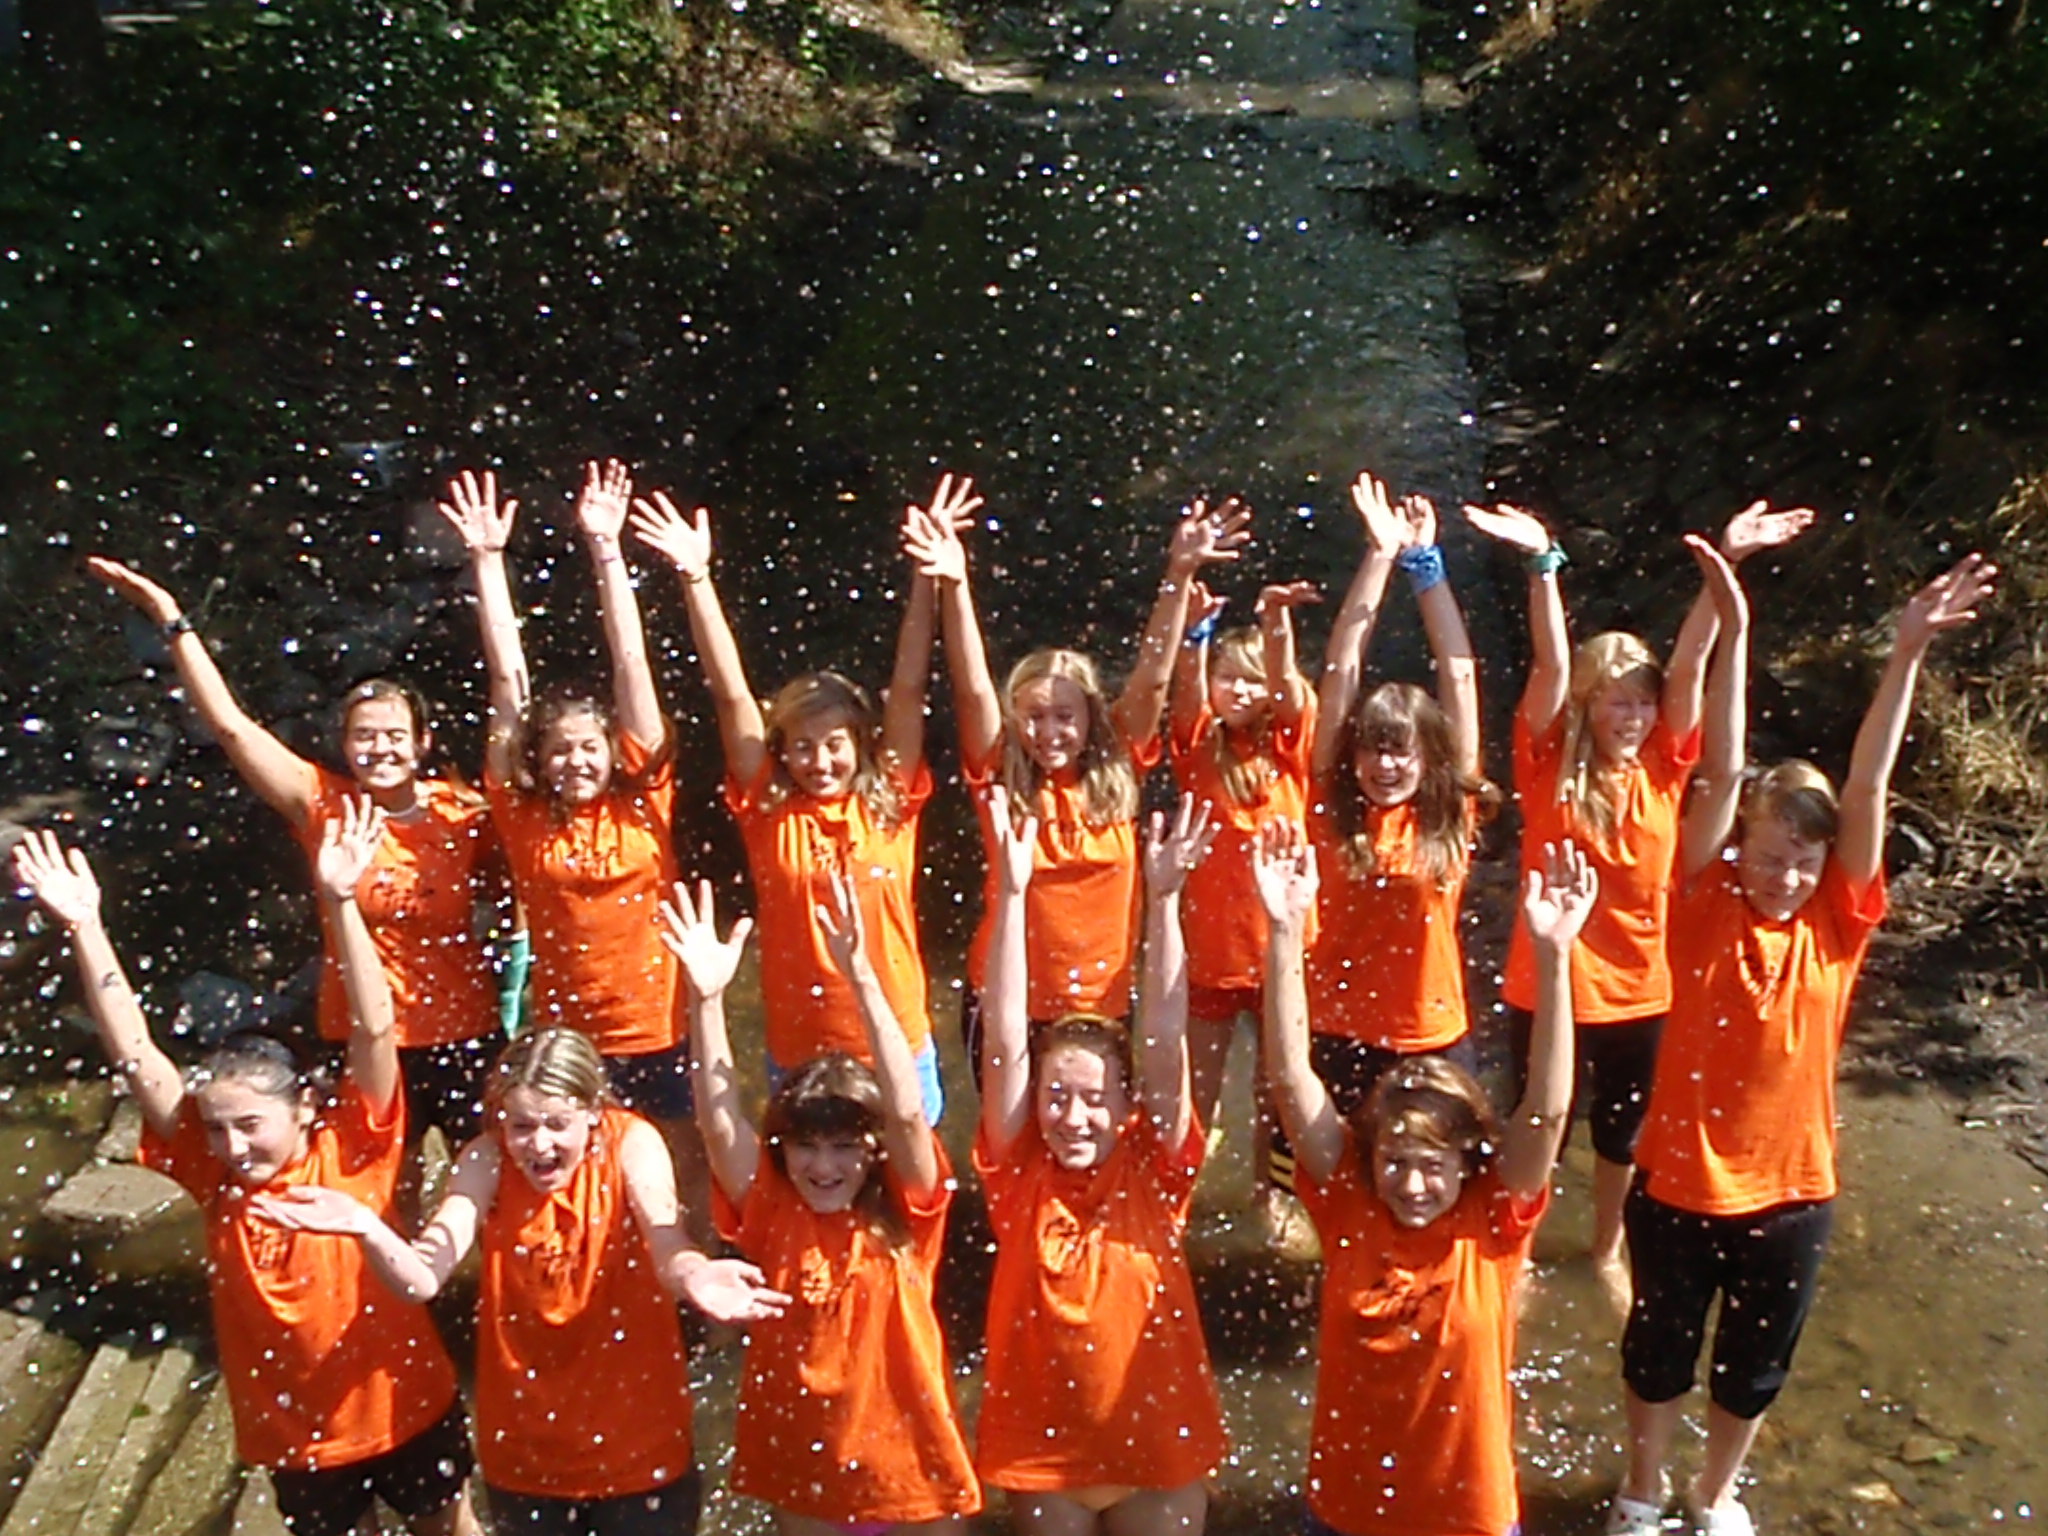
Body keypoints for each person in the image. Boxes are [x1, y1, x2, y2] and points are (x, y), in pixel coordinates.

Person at [1607, 544, 1996, 1536]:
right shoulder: (1701, 903)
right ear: (1742, 844)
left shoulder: (1836, 923)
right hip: (1678, 1182)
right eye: (1772, 855)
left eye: (1803, 862)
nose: (1785, 876)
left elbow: (1867, 789)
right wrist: (1735, 632)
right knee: (1657, 1350)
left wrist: (1906, 651)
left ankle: (1711, 1497)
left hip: (1791, 1195)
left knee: (1752, 1365)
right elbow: (1721, 767)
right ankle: (1641, 1493)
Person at [12, 805, 480, 1536]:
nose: (233, 1146)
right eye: (218, 1128)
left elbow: (376, 1026)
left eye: (251, 1126)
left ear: (304, 1109)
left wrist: (342, 902)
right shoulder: (213, 1173)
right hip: (297, 1435)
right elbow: (136, 1055)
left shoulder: (355, 1144)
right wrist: (85, 927)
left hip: (405, 1405)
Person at [1463, 497, 1815, 1309]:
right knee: (1538, 1121)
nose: (1632, 716)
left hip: (1642, 988)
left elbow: (1689, 666)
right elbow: (1549, 666)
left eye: (1641, 702)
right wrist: (1543, 565)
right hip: (1547, 982)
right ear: (1588, 705)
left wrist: (1728, 563)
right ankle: (1512, 1247)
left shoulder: (1663, 766)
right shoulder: (1545, 763)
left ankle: (1605, 1250)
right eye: (1615, 701)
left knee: (1623, 1135)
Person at [249, 1027, 790, 1536]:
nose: (538, 1144)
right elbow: (423, 1280)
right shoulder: (486, 1159)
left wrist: (696, 1274)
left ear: (592, 1113)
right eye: (522, 1126)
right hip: (526, 1458)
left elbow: (666, 1241)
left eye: (557, 1123)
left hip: (640, 1448)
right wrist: (366, 1226)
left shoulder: (631, 1143)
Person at [1256, 818, 1598, 1536]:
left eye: (1432, 1167)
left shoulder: (1492, 1220)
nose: (1412, 1186)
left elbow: (1547, 1110)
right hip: (1346, 1514)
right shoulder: (1349, 1201)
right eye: (1396, 1163)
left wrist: (1556, 957)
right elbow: (1290, 1079)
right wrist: (1285, 931)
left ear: (1465, 1164)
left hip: (1466, 1517)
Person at [87, 557, 504, 1142]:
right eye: (364, 736)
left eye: (394, 736)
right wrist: (172, 620)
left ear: (422, 744)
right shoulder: (324, 803)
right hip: (361, 1035)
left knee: (486, 1175)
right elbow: (232, 728)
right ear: (345, 744)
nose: (380, 749)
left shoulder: (460, 812)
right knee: (378, 1184)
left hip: (465, 1030)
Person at [662, 878, 981, 1535]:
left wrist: (863, 978)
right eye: (807, 1146)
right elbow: (718, 1123)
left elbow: (905, 1112)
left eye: (843, 1147)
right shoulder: (773, 1209)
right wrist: (707, 999)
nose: (824, 1166)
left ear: (872, 1150)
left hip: (911, 1471)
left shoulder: (906, 1211)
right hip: (807, 1473)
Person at [632, 476, 951, 1123]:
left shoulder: (889, 801)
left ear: (862, 744)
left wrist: (929, 577)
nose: (819, 761)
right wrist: (696, 578)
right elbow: (731, 695)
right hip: (802, 1049)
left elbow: (909, 686)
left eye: (834, 744)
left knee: (909, 1181)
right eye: (802, 746)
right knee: (807, 1180)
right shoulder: (770, 812)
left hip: (895, 1039)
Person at [902, 494, 1249, 1064]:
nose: (1049, 732)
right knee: (1009, 1126)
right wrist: (956, 584)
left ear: (1091, 718)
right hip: (1007, 999)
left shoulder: (1119, 767)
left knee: (1096, 1121)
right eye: (1034, 716)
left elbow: (1152, 678)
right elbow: (971, 686)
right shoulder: (1002, 775)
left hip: (1100, 1004)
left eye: (1064, 716)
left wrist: (1179, 573)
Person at [974, 788, 1230, 1536]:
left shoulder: (1157, 1168)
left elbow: (1164, 1038)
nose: (1073, 1116)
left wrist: (1164, 902)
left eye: (1093, 1099)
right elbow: (1003, 1039)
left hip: (1157, 1453)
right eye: (1056, 1097)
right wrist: (1013, 895)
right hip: (1047, 1459)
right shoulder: (1019, 1173)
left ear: (1126, 1107)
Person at [442, 463, 687, 1121]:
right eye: (560, 750)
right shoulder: (524, 816)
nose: (576, 762)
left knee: (678, 1167)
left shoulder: (646, 798)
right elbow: (507, 683)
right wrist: (487, 561)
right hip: (566, 1040)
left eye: (588, 748)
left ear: (613, 751)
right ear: (540, 760)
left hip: (660, 1024)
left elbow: (631, 664)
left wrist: (606, 549)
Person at [1303, 471, 1492, 1115]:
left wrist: (1425, 566)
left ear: (1429, 758)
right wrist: (1379, 555)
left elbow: (1459, 677)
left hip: (1432, 1036)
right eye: (1373, 748)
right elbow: (1340, 669)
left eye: (1401, 750)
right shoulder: (1333, 810)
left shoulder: (1449, 813)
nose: (1385, 765)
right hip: (1334, 1031)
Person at [1167, 575, 1319, 1237]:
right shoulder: (1198, 744)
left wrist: (1277, 623)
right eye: (1227, 679)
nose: (1239, 691)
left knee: (1277, 1088)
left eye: (1250, 681)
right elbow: (1184, 693)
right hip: (1211, 952)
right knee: (1193, 1088)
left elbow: (1289, 690)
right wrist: (1195, 635)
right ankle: (1176, 1195)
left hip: (1282, 950)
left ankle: (1270, 1194)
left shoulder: (1290, 745)